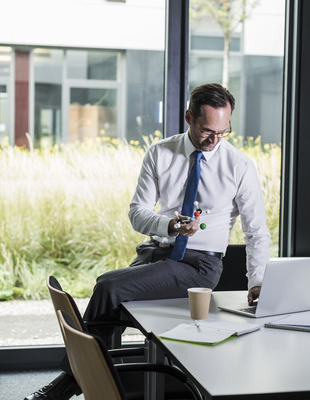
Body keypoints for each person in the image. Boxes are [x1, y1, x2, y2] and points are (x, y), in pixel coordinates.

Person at [24, 82, 270, 400]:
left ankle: (72, 384)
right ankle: (98, 386)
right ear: (189, 118)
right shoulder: (160, 153)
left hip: (199, 266)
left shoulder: (239, 166)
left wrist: (258, 281)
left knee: (108, 287)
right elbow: (137, 214)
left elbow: (256, 232)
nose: (215, 140)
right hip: (155, 254)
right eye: (208, 130)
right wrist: (169, 224)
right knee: (110, 305)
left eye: (224, 132)